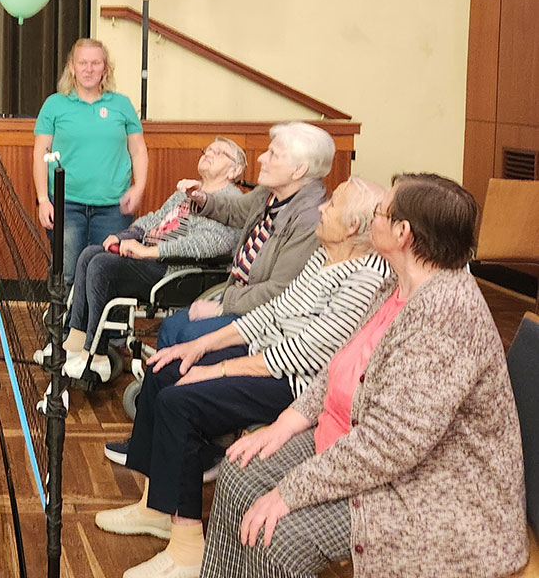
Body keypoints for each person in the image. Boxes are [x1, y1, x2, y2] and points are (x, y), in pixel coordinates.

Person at [203, 174, 527, 578]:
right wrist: (285, 423)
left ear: (402, 233)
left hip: (431, 492)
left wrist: (290, 491)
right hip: (361, 445)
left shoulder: (446, 314)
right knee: (239, 472)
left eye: (378, 212)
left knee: (281, 537)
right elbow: (342, 362)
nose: (371, 219)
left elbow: (390, 445)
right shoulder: (396, 282)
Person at [95, 177, 390, 578]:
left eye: (332, 206)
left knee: (180, 402)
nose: (322, 209)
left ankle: (187, 547)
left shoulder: (366, 277)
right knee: (165, 367)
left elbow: (305, 352)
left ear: (353, 227)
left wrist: (214, 369)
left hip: (294, 382)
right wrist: (197, 348)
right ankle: (156, 508)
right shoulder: (324, 256)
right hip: (264, 356)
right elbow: (271, 313)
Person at [105, 122, 334, 464]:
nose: (263, 159)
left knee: (181, 332)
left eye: (274, 154)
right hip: (238, 295)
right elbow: (234, 211)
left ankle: (186, 446)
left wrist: (221, 304)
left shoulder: (307, 217)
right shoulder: (271, 193)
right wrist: (201, 199)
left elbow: (278, 293)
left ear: (300, 169)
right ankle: (161, 441)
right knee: (174, 329)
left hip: (263, 319)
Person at [56, 136, 246, 381]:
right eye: (207, 150)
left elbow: (210, 244)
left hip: (175, 271)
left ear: (235, 170)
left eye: (218, 153)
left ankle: (97, 355)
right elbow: (156, 219)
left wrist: (146, 251)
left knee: (102, 265)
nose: (208, 153)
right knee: (91, 253)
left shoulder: (232, 201)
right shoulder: (189, 191)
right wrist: (124, 235)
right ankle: (77, 340)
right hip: (151, 257)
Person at [32, 37, 149, 285]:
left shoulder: (122, 105)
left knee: (105, 274)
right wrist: (43, 199)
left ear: (105, 68)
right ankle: (64, 323)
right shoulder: (54, 105)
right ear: (72, 67)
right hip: (66, 206)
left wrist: (138, 187)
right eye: (83, 63)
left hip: (113, 209)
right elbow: (40, 153)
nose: (89, 69)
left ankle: (100, 324)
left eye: (95, 63)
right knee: (68, 274)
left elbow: (138, 149)